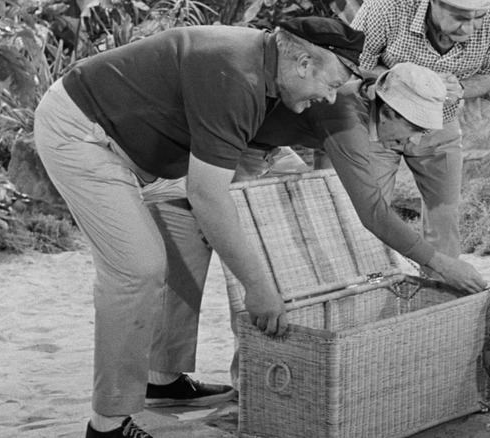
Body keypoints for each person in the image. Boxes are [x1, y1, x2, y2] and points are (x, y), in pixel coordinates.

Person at [33, 17, 364, 438]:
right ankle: (108, 425)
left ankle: (161, 376)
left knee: (187, 228)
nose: (330, 96)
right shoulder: (237, 74)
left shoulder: (261, 67)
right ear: (302, 63)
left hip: (143, 149)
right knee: (138, 269)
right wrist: (258, 288)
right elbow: (209, 196)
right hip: (82, 133)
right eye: (331, 84)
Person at [223, 62, 490, 385]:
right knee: (253, 254)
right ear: (389, 112)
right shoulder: (346, 120)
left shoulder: (367, 97)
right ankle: (248, 381)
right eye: (415, 129)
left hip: (274, 147)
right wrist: (442, 264)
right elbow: (373, 213)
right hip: (238, 147)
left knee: (308, 220)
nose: (416, 143)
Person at [351, 0, 490, 275]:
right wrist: (412, 81)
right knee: (367, 210)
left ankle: (440, 291)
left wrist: (460, 87)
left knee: (444, 217)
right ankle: (370, 287)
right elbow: (352, 61)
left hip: (442, 123)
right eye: (460, 16)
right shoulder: (386, 8)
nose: (470, 27)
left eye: (478, 17)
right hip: (382, 122)